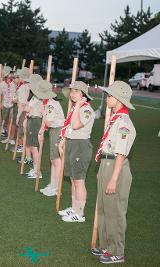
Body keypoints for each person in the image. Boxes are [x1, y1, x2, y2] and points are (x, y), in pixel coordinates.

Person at [91, 81, 136, 264]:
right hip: (106, 164)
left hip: (116, 167)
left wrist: (113, 179)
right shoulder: (115, 118)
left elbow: (120, 154)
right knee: (103, 208)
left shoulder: (124, 122)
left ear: (118, 99)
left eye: (110, 96)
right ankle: (105, 245)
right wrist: (102, 170)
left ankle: (117, 250)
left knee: (115, 211)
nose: (107, 98)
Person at [58, 81, 95, 223]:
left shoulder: (85, 109)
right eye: (72, 91)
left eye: (76, 91)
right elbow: (69, 128)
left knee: (79, 181)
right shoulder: (75, 108)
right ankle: (74, 208)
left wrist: (79, 105)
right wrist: (63, 140)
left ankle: (80, 214)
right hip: (72, 143)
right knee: (73, 179)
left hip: (81, 145)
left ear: (83, 94)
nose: (73, 94)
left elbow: (75, 125)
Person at [35, 80, 65, 196]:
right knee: (53, 159)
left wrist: (42, 112)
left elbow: (48, 120)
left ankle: (56, 187)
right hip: (54, 130)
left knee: (56, 160)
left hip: (58, 130)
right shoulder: (47, 103)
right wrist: (41, 131)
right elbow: (45, 122)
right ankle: (52, 184)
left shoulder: (50, 104)